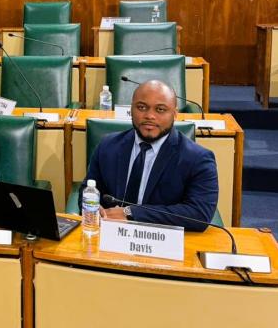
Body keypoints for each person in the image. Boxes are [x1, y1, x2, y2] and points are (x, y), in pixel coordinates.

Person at [81, 79, 218, 231]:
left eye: (160, 109)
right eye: (141, 107)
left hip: (163, 242)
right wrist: (95, 207)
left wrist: (131, 213)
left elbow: (199, 214)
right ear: (131, 109)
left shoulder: (198, 159)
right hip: (108, 233)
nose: (149, 116)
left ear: (175, 114)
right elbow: (87, 189)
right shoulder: (108, 146)